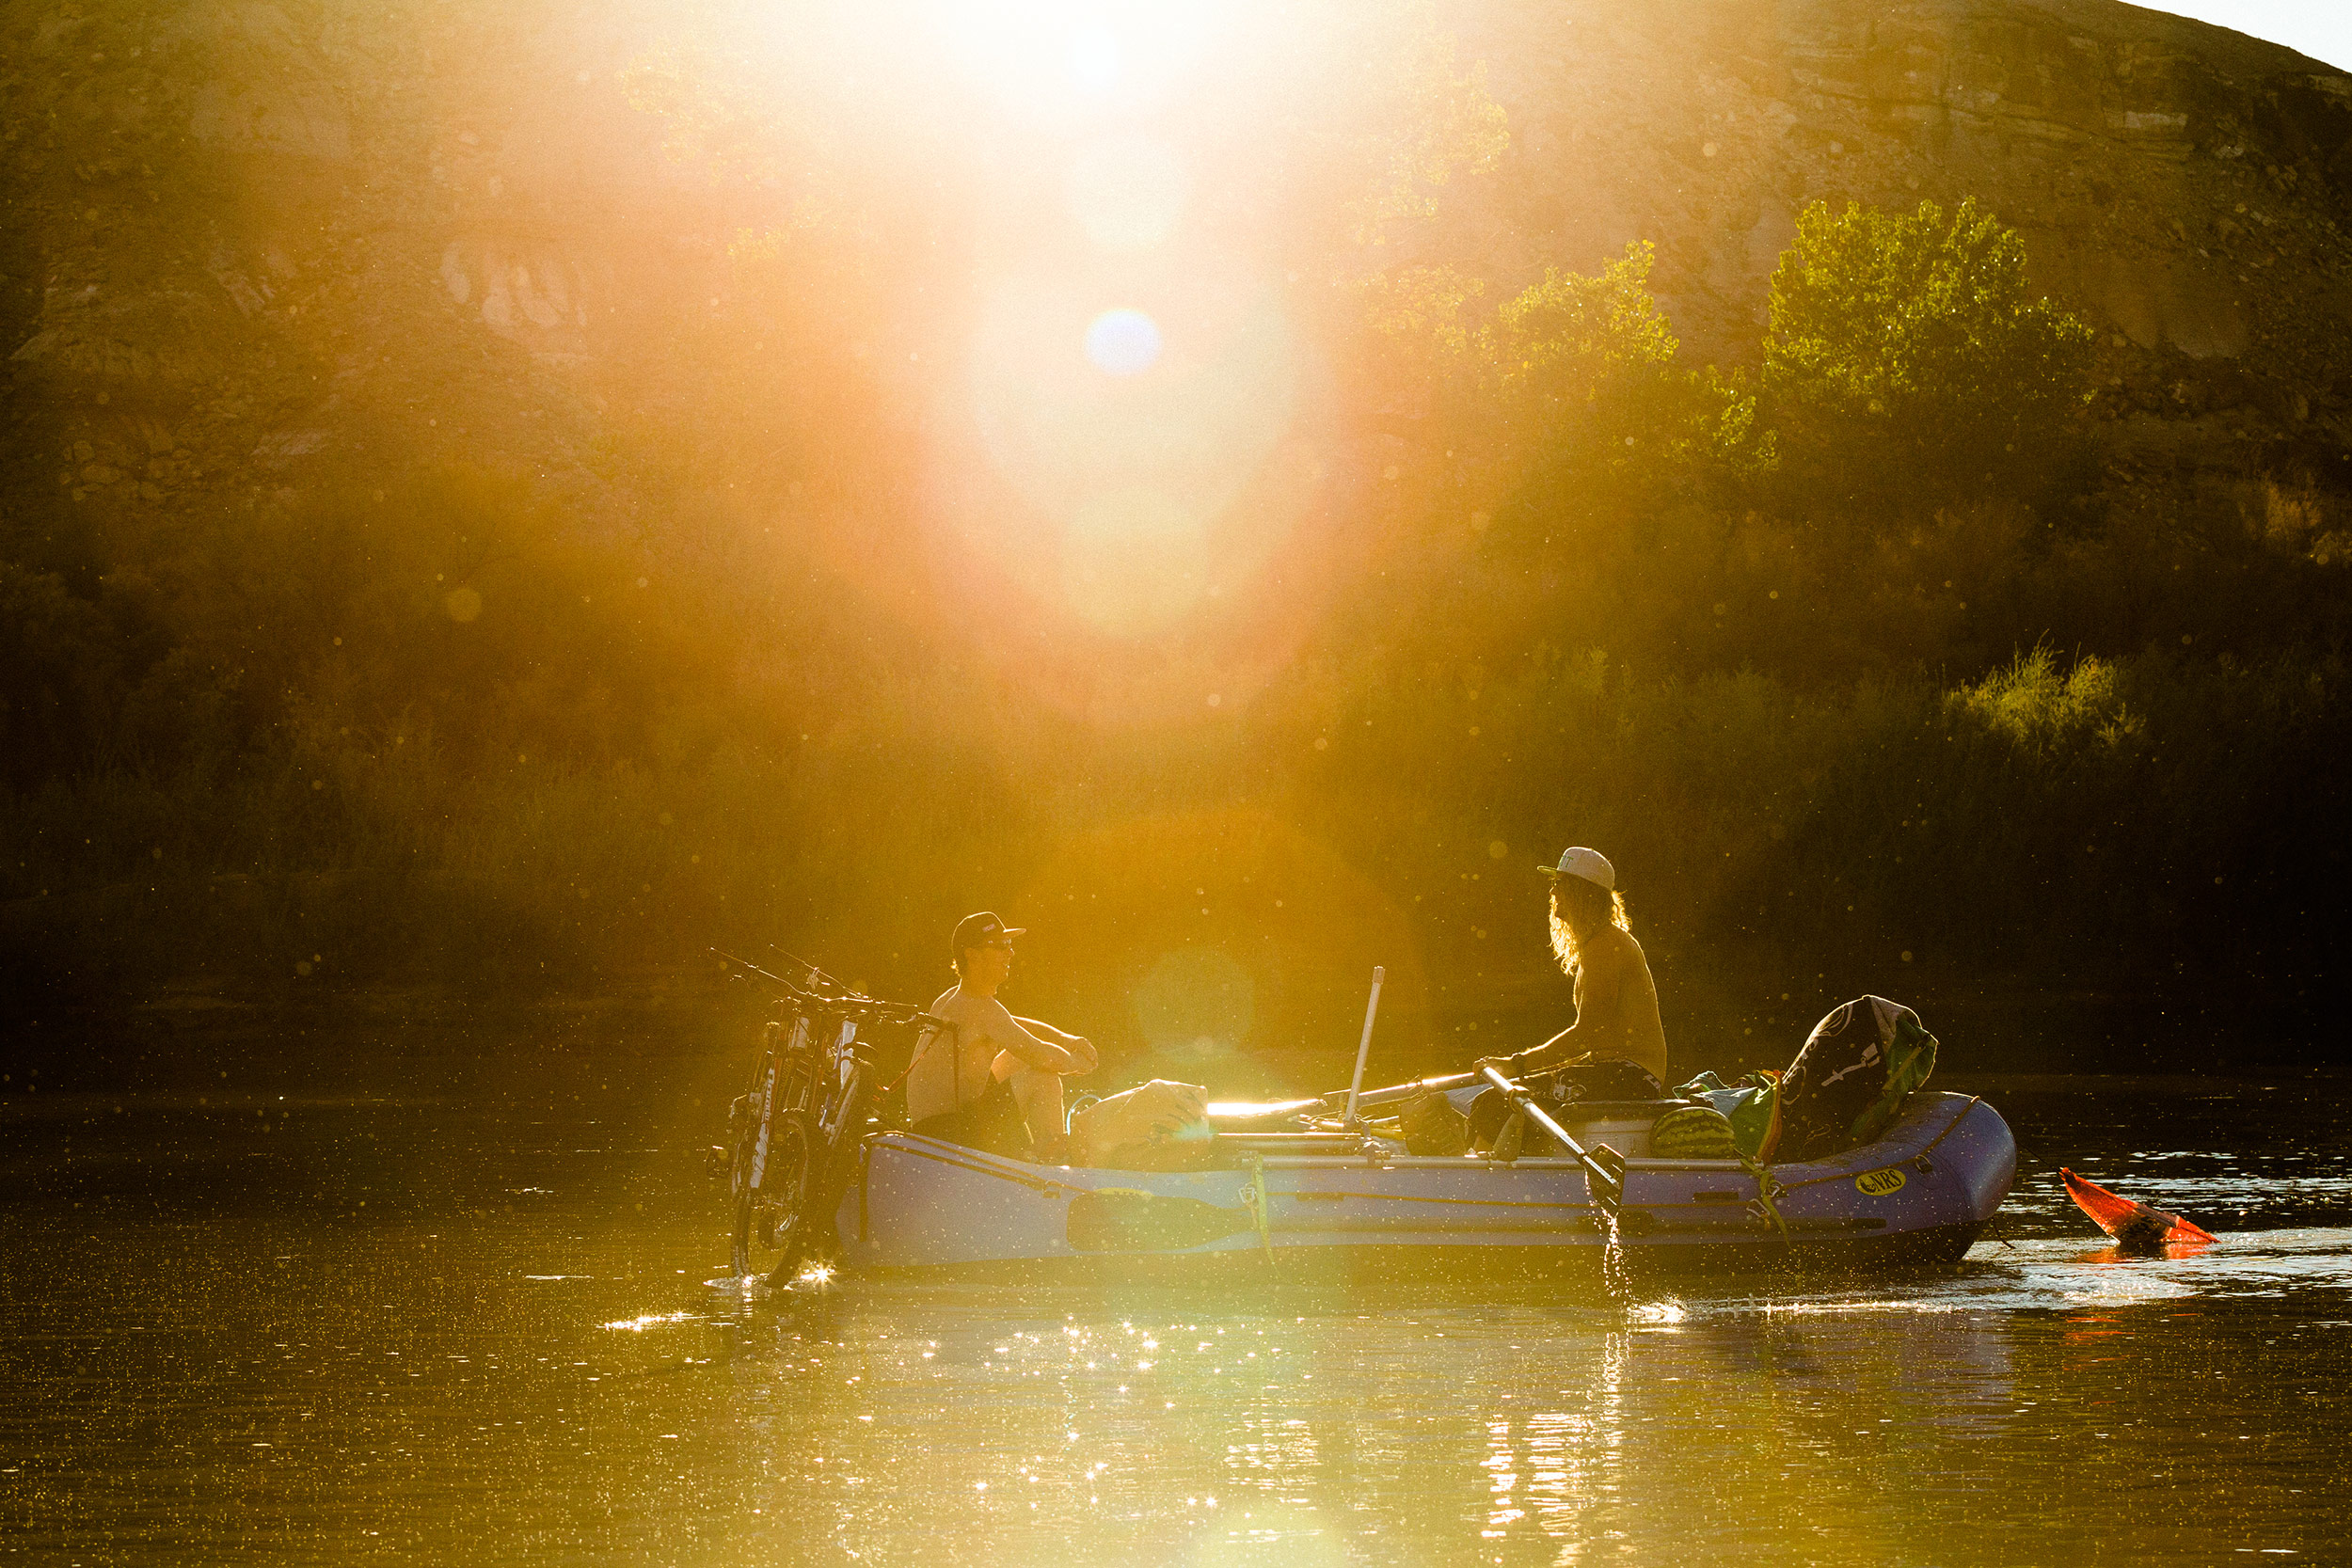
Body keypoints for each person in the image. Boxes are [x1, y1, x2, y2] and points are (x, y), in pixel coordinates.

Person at [907, 911, 1098, 1161]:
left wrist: (1067, 1039)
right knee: (1043, 1075)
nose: (1010, 953)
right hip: (946, 1134)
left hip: (940, 1126)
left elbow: (1019, 1027)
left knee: (1023, 1062)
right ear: (971, 955)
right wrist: (1080, 1064)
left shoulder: (955, 999)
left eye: (1010, 945)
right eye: (1000, 946)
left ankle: (1045, 1157)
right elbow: (1039, 1054)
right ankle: (1052, 1164)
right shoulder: (979, 1008)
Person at [1504, 846, 1668, 1097]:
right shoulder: (1595, 943)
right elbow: (1595, 1040)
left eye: (1560, 883)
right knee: (1498, 1098)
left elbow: (1590, 1033)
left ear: (1583, 893)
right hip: (1613, 1070)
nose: (1552, 891)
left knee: (1499, 1101)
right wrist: (1525, 1070)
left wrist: (1517, 1064)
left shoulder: (1606, 945)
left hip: (1636, 1076)